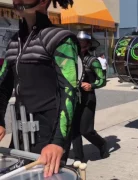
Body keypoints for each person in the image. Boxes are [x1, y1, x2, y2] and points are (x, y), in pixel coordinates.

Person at [0, 0, 77, 177]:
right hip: (20, 135)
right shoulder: (14, 42)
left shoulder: (60, 39)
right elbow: (3, 87)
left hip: (49, 136)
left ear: (43, 1)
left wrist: (58, 142)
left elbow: (70, 92)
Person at [72, 31, 108, 162]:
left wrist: (91, 85)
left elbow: (103, 80)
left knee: (86, 130)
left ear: (88, 44)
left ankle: (102, 144)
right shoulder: (71, 60)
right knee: (74, 130)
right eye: (78, 42)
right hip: (74, 98)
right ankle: (79, 159)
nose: (80, 44)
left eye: (83, 42)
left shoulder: (93, 61)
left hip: (88, 99)